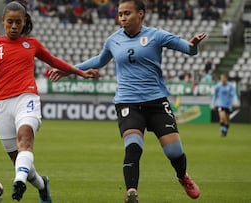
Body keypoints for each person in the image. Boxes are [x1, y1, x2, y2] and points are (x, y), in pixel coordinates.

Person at [48, 0, 207, 202]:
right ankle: (131, 193)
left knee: (174, 151)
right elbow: (99, 60)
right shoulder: (113, 40)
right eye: (120, 14)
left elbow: (189, 49)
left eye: (127, 13)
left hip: (156, 101)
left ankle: (182, 176)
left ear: (141, 14)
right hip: (128, 102)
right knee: (133, 147)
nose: (122, 18)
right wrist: (68, 70)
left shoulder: (156, 35)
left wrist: (193, 46)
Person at [0, 1, 99, 202]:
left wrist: (81, 73)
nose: (14, 26)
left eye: (18, 22)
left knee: (25, 139)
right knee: (20, 160)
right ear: (2, 21)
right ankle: (41, 184)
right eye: (10, 22)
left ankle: (18, 181)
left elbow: (54, 61)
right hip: (1, 105)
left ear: (24, 23)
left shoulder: (32, 44)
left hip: (26, 97)